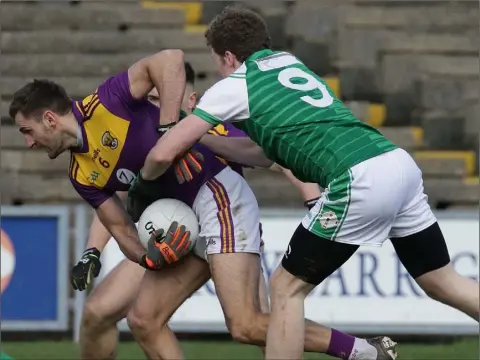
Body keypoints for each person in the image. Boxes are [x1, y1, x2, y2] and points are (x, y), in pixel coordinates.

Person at [128, 6, 480, 360]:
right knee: (441, 281)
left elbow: (162, 154)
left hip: (357, 178)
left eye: (218, 60)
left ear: (229, 57)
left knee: (285, 289)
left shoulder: (235, 85)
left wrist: (143, 188)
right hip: (395, 163)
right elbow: (262, 154)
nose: (220, 68)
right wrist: (202, 138)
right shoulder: (288, 63)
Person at [10, 56, 379, 360]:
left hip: (217, 196)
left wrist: (171, 133)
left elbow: (170, 59)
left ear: (49, 119)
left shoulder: (106, 102)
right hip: (182, 224)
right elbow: (121, 227)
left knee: (247, 326)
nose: (28, 143)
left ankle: (362, 352)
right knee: (143, 319)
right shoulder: (81, 173)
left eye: (27, 131)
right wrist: (149, 259)